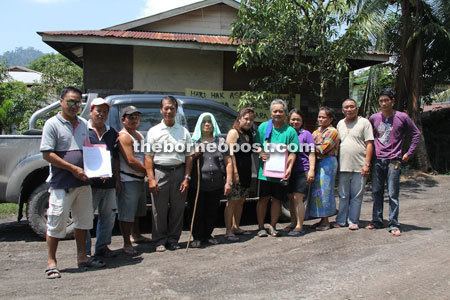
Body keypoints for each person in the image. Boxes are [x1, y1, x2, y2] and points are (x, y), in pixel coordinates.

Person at [40, 87, 103, 279]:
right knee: (56, 223)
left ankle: (82, 257)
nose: (75, 106)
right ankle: (51, 262)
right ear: (61, 101)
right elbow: (47, 154)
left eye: (78, 102)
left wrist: (98, 167)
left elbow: (88, 148)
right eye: (71, 101)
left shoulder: (84, 123)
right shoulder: (52, 124)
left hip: (84, 183)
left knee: (83, 222)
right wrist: (73, 168)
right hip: (62, 184)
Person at [367, 89, 421, 237]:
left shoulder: (402, 117)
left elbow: (416, 134)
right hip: (378, 159)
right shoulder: (373, 118)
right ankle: (377, 220)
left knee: (392, 193)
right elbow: (369, 138)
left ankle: (393, 224)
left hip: (394, 160)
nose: (383, 103)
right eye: (381, 101)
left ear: (392, 101)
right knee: (376, 192)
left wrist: (409, 153)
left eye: (386, 100)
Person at [145, 96, 193, 252]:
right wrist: (151, 179)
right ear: (161, 110)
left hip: (179, 172)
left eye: (172, 108)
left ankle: (173, 239)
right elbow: (148, 157)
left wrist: (187, 177)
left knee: (178, 208)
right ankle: (159, 240)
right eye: (166, 108)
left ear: (176, 110)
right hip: (160, 172)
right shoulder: (154, 131)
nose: (169, 111)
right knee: (159, 209)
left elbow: (188, 156)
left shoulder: (183, 131)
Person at [255, 99, 299, 237]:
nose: (277, 113)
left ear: (285, 113)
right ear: (271, 112)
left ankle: (273, 227)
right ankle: (261, 227)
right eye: (275, 111)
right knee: (263, 199)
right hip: (265, 173)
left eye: (280, 111)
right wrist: (261, 152)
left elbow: (293, 151)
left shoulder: (290, 131)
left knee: (277, 200)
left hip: (281, 173)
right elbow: (256, 145)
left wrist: (289, 168)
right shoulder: (263, 127)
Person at [189, 113, 232, 248]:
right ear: (199, 125)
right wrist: (195, 154)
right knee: (197, 211)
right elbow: (187, 161)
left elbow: (228, 162)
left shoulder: (220, 142)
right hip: (198, 184)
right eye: (204, 122)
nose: (207, 124)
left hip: (216, 183)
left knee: (212, 211)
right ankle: (197, 236)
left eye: (210, 122)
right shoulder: (193, 141)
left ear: (214, 125)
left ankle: (208, 235)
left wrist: (228, 181)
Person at [85, 97, 120, 258]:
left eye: (105, 112)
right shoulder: (83, 131)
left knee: (109, 217)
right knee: (85, 218)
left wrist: (117, 179)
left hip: (109, 184)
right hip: (88, 184)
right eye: (99, 111)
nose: (102, 114)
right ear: (91, 110)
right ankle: (84, 251)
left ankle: (102, 247)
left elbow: (116, 158)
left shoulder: (112, 132)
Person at [335, 99, 374, 230]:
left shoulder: (364, 122)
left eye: (352, 107)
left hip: (360, 166)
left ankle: (353, 221)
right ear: (342, 110)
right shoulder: (340, 123)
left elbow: (369, 144)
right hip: (343, 166)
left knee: (357, 196)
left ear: (357, 108)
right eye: (346, 107)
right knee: (343, 195)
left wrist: (367, 164)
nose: (349, 109)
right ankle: (341, 220)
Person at [117, 106, 149, 255]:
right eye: (130, 117)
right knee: (127, 213)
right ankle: (126, 243)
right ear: (123, 119)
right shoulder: (124, 136)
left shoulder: (138, 135)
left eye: (136, 116)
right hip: (128, 179)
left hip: (139, 178)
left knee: (136, 211)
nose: (134, 119)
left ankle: (136, 235)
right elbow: (130, 160)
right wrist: (149, 171)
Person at [224, 107, 256, 242]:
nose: (248, 122)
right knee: (232, 202)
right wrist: (234, 172)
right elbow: (230, 155)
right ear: (239, 118)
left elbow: (254, 149)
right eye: (246, 118)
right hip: (236, 172)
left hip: (246, 172)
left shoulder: (249, 134)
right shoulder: (234, 132)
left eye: (251, 119)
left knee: (241, 201)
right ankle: (228, 230)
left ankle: (236, 226)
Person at [306, 107, 339, 231]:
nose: (320, 119)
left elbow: (323, 149)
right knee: (317, 192)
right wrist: (315, 145)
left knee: (325, 190)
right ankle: (321, 219)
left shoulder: (333, 131)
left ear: (330, 119)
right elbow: (312, 147)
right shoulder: (315, 132)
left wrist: (313, 146)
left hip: (328, 163)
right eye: (319, 116)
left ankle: (326, 221)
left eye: (323, 117)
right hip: (318, 162)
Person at [283, 109, 315, 236]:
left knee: (298, 198)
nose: (295, 122)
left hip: (302, 170)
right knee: (290, 198)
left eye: (298, 120)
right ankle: (292, 222)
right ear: (289, 120)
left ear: (302, 122)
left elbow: (312, 153)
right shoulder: (285, 132)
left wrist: (311, 170)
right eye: (293, 119)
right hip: (287, 170)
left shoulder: (306, 134)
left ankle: (299, 226)